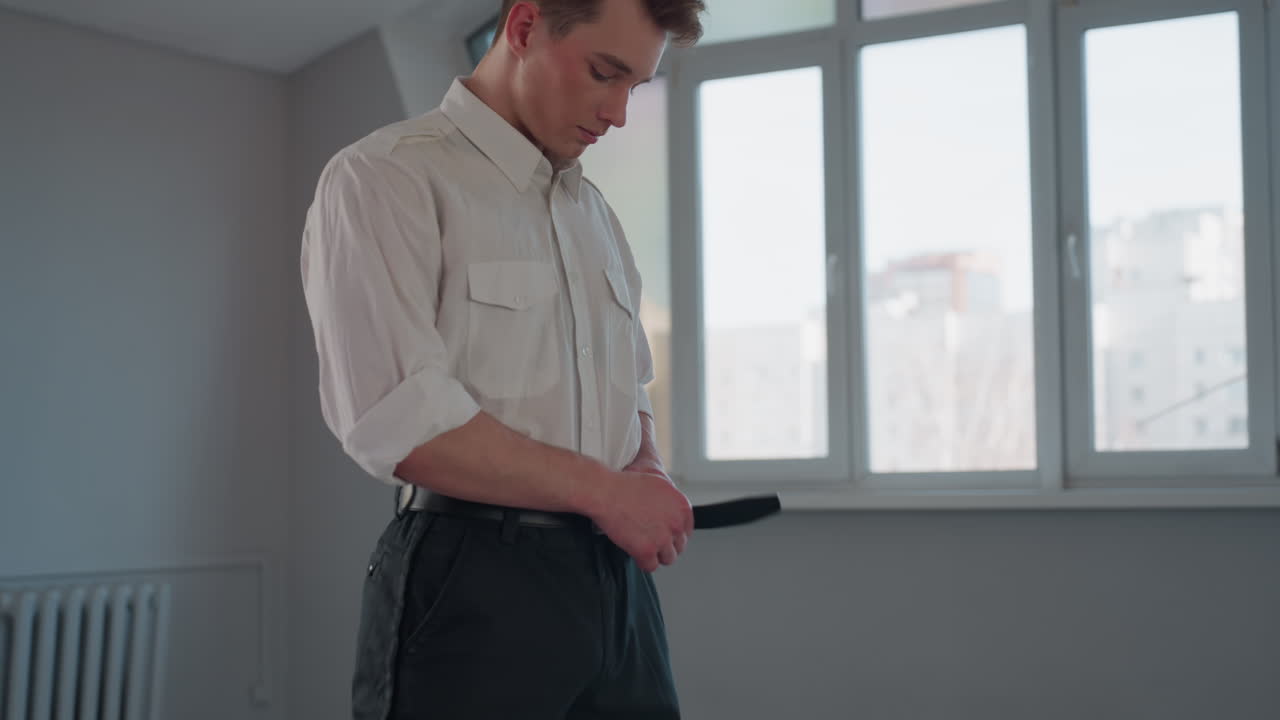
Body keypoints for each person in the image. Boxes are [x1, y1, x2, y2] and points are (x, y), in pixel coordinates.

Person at [299, 0, 708, 717]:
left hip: (618, 589)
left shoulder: (598, 217)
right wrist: (608, 493)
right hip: (470, 578)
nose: (617, 114)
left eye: (634, 87)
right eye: (603, 73)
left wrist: (643, 467)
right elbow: (400, 420)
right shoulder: (385, 177)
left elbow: (629, 385)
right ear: (523, 27)